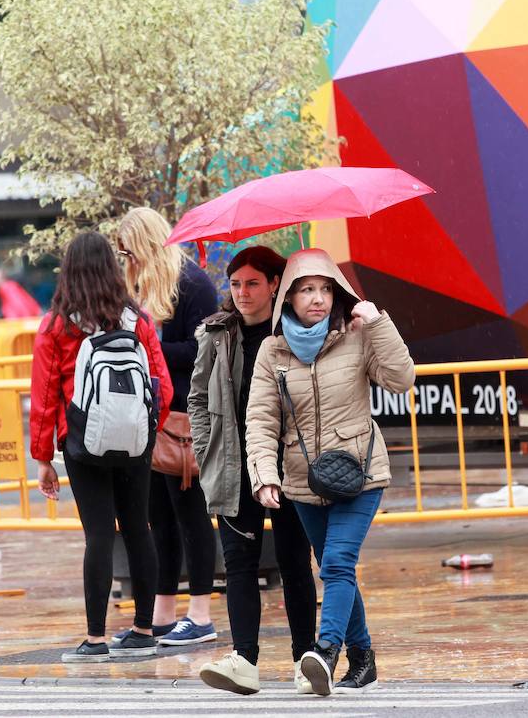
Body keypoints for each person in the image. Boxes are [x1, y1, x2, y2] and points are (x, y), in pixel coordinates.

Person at [245, 248, 415, 696]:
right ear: (288, 299)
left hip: (360, 472)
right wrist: (264, 473)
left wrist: (378, 323)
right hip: (303, 480)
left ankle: (324, 650)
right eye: (305, 289)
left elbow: (402, 377)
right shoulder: (272, 351)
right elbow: (261, 419)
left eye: (323, 288)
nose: (316, 298)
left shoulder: (358, 335)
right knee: (336, 568)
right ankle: (364, 659)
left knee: (338, 562)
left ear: (336, 292)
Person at [29, 231, 173, 662]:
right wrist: (145, 430)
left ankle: (95, 639)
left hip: (82, 444)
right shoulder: (137, 320)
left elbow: (44, 395)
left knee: (97, 534)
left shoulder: (58, 325)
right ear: (112, 269)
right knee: (137, 529)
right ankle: (144, 630)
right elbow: (161, 386)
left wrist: (44, 458)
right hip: (135, 444)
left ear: (69, 271)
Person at [189, 246, 317, 696]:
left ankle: (305, 660)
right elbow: (199, 399)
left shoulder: (297, 333)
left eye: (253, 283)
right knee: (239, 565)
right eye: (236, 283)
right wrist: (206, 452)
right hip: (232, 465)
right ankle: (244, 659)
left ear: (275, 284)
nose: (242, 293)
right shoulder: (217, 333)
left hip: (290, 465)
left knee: (294, 561)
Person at [115, 207, 219, 646]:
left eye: (129, 252)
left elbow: (203, 350)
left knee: (191, 515)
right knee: (158, 516)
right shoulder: (141, 286)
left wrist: (150, 344)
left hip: (187, 415)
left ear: (145, 244)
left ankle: (201, 614)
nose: (126, 261)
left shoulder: (192, 283)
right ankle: (163, 614)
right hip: (152, 415)